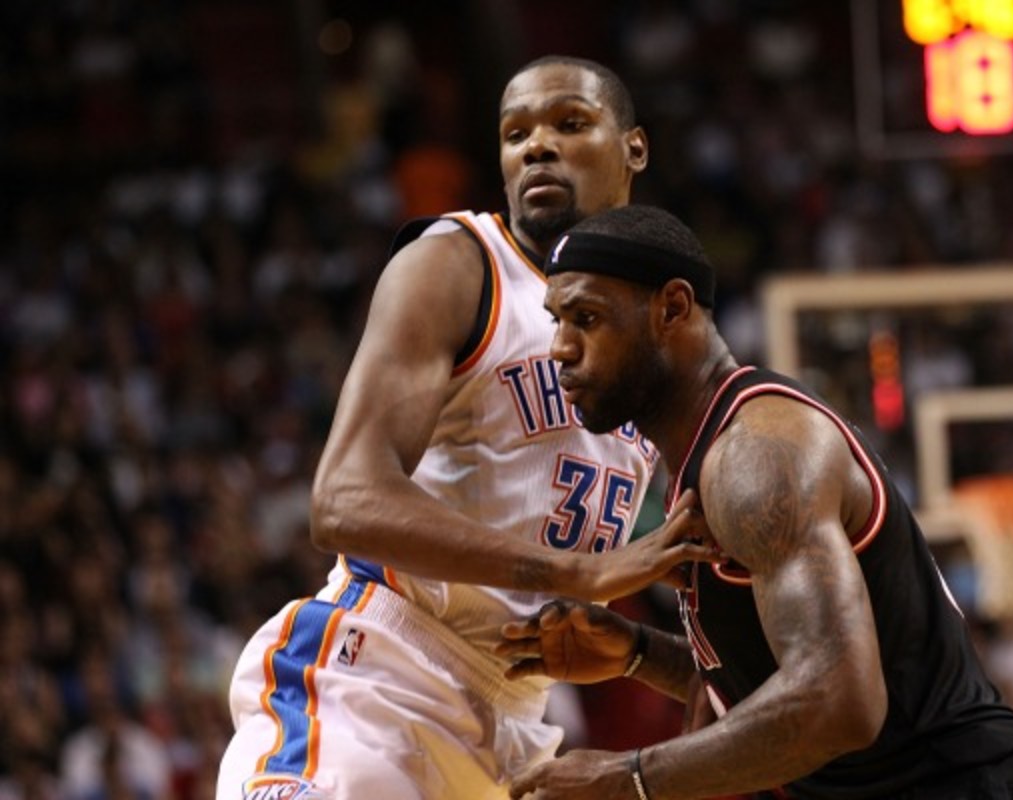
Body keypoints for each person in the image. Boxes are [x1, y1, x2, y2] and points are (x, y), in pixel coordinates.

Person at [216, 57, 718, 800]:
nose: (537, 146)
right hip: (374, 678)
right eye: (516, 134)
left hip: (511, 720)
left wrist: (650, 656)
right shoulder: (458, 264)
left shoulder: (651, 340)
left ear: (633, 148)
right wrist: (575, 574)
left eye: (569, 123)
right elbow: (343, 500)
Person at [498, 204, 1013, 799]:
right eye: (557, 321)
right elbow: (789, 679)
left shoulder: (755, 455)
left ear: (673, 308)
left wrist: (625, 778)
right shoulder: (706, 460)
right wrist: (639, 653)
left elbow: (839, 703)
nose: (561, 348)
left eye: (587, 319)